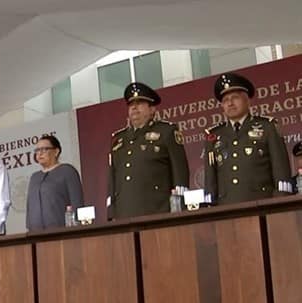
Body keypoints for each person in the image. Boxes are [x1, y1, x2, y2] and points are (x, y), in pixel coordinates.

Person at [204, 72, 292, 204]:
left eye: (235, 98)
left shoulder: (267, 127)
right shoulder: (214, 135)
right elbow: (210, 179)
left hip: (262, 203)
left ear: (247, 100)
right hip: (227, 207)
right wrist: (210, 205)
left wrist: (280, 200)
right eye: (225, 100)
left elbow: (281, 169)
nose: (230, 103)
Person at [108, 82, 189, 219]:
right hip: (124, 212)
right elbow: (112, 179)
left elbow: (180, 172)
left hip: (157, 210)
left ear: (152, 109)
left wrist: (179, 207)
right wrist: (111, 212)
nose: (134, 108)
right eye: (131, 104)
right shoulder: (118, 139)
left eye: (139, 103)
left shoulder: (166, 131)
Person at [26, 135, 84, 230]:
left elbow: (77, 202)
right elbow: (30, 209)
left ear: (56, 151)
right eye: (37, 150)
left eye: (44, 149)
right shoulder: (34, 177)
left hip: (62, 231)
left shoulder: (67, 171)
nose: (39, 153)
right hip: (36, 234)